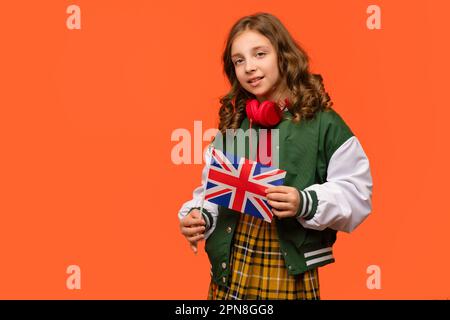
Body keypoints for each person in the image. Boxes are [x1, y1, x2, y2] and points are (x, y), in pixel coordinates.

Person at [178, 12, 373, 300]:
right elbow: (211, 190)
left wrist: (305, 201)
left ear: (283, 55)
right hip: (231, 264)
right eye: (239, 60)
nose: (249, 67)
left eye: (260, 54)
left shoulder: (324, 125)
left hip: (285, 267)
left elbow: (358, 195)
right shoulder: (234, 123)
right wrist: (200, 215)